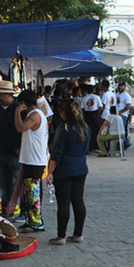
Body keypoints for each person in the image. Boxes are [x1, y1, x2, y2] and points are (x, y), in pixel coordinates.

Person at [47, 101, 90, 246]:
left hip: (64, 169)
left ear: (64, 113)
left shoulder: (64, 128)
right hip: (81, 167)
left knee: (63, 203)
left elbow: (56, 152)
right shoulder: (85, 128)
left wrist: (50, 172)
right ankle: (78, 233)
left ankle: (61, 236)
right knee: (78, 200)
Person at [14, 89, 49, 232]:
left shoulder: (34, 115)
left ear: (23, 103)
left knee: (33, 192)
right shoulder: (35, 114)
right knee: (28, 192)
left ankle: (36, 221)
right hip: (31, 158)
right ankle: (31, 220)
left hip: (35, 160)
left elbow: (20, 128)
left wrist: (17, 112)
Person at [0, 81, 23, 220]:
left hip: (14, 153)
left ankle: (22, 211)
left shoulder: (18, 109)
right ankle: (7, 210)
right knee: (5, 184)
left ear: (9, 95)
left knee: (18, 183)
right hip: (1, 151)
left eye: (1, 95)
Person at [81, 85, 103, 151]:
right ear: (93, 90)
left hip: (87, 114)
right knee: (97, 130)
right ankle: (96, 146)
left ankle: (89, 147)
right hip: (95, 114)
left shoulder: (84, 98)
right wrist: (99, 115)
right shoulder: (97, 97)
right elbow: (100, 107)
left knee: (88, 131)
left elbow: (82, 108)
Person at [116, 82, 134, 148]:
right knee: (118, 129)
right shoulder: (117, 94)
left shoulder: (126, 95)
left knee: (122, 129)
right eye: (119, 86)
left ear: (124, 86)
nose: (120, 87)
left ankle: (125, 142)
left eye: (121, 86)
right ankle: (121, 142)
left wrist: (130, 116)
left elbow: (129, 106)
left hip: (123, 115)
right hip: (116, 114)